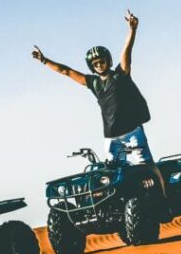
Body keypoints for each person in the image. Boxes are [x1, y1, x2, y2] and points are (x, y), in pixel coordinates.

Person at [32, 9, 161, 183]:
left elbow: (127, 52)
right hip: (111, 137)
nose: (99, 65)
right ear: (92, 66)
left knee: (147, 166)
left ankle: (164, 200)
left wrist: (132, 30)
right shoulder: (93, 83)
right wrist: (44, 60)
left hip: (133, 132)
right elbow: (67, 71)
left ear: (108, 60)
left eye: (102, 61)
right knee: (114, 175)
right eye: (95, 63)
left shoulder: (120, 75)